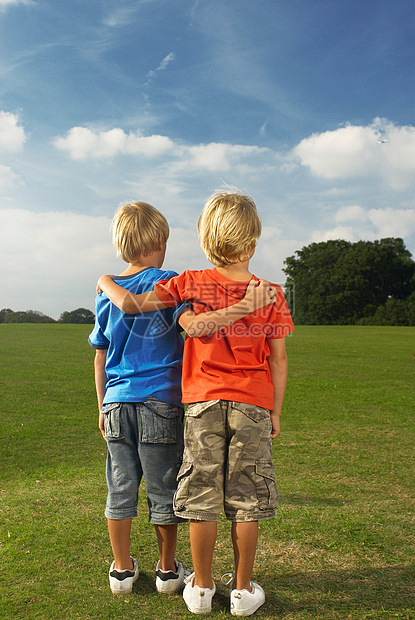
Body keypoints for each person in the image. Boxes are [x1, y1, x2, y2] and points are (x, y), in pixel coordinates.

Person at [97, 190, 294, 616]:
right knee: (245, 499)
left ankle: (201, 587)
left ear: (205, 239)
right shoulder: (272, 292)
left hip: (202, 404)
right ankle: (241, 592)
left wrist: (104, 280)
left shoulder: (189, 282)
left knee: (200, 493)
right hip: (254, 405)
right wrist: (275, 411)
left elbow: (141, 308)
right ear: (255, 242)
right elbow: (278, 360)